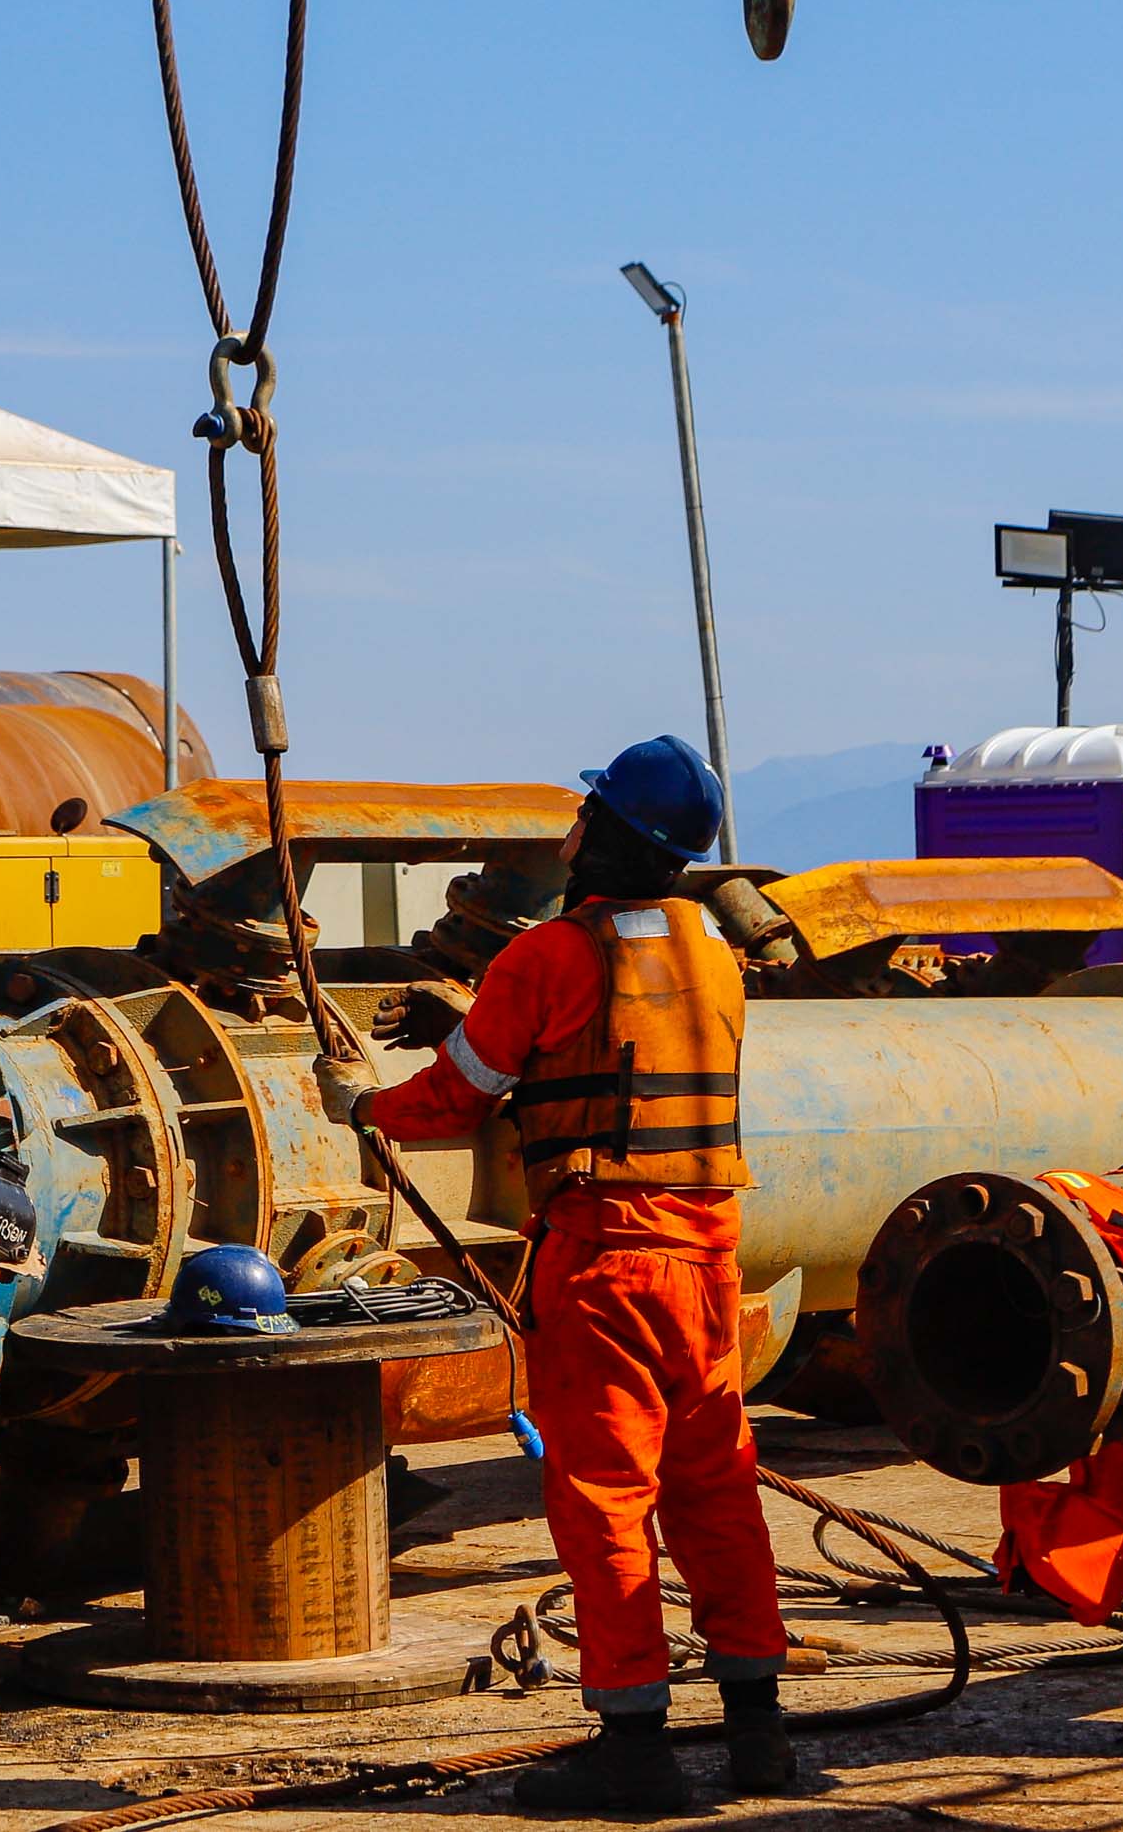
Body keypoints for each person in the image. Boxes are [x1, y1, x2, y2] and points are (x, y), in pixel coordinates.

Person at [320, 735, 792, 1815]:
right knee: (714, 1485)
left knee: (606, 1495)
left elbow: (453, 1101)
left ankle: (632, 1750)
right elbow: (610, 1053)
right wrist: (482, 1024)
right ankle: (758, 1732)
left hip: (605, 1262)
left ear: (603, 833)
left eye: (586, 815)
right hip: (706, 1253)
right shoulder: (710, 947)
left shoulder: (545, 958)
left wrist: (362, 1103)